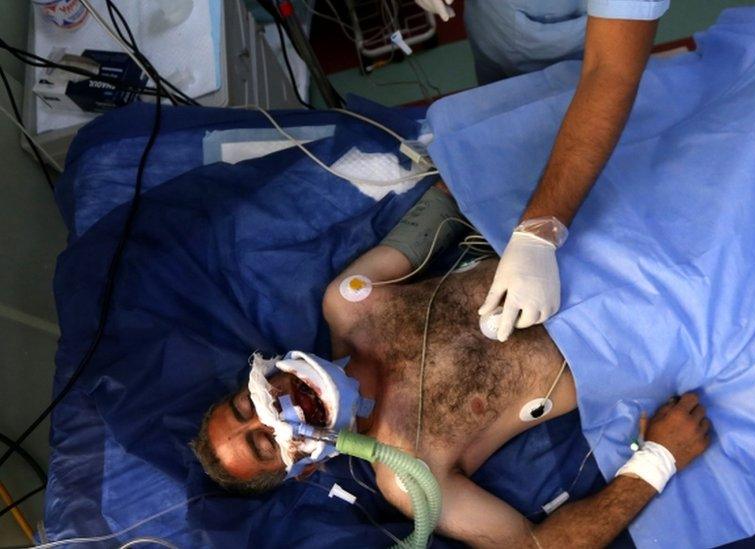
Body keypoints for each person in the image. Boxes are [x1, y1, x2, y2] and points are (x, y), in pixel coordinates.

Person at [192, 183, 712, 547]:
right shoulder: (411, 477)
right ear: (309, 463)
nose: (273, 413)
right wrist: (659, 459)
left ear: (261, 374)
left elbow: (444, 202)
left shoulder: (350, 301)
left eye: (247, 406)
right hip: (658, 330)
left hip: (595, 233)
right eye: (264, 441)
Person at [414, 0, 670, 342]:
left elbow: (610, 72)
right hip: (495, 21)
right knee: (497, 99)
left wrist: (541, 231)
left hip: (568, 40)